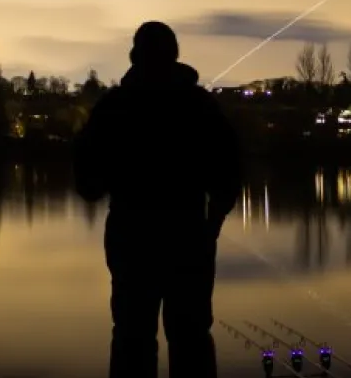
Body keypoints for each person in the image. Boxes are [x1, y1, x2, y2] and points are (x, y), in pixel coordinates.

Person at [73, 21, 243, 378]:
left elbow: (87, 184)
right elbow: (230, 172)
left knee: (132, 340)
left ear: (135, 56)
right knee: (191, 339)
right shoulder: (200, 105)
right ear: (175, 56)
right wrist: (211, 226)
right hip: (189, 239)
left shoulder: (114, 107)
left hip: (131, 240)